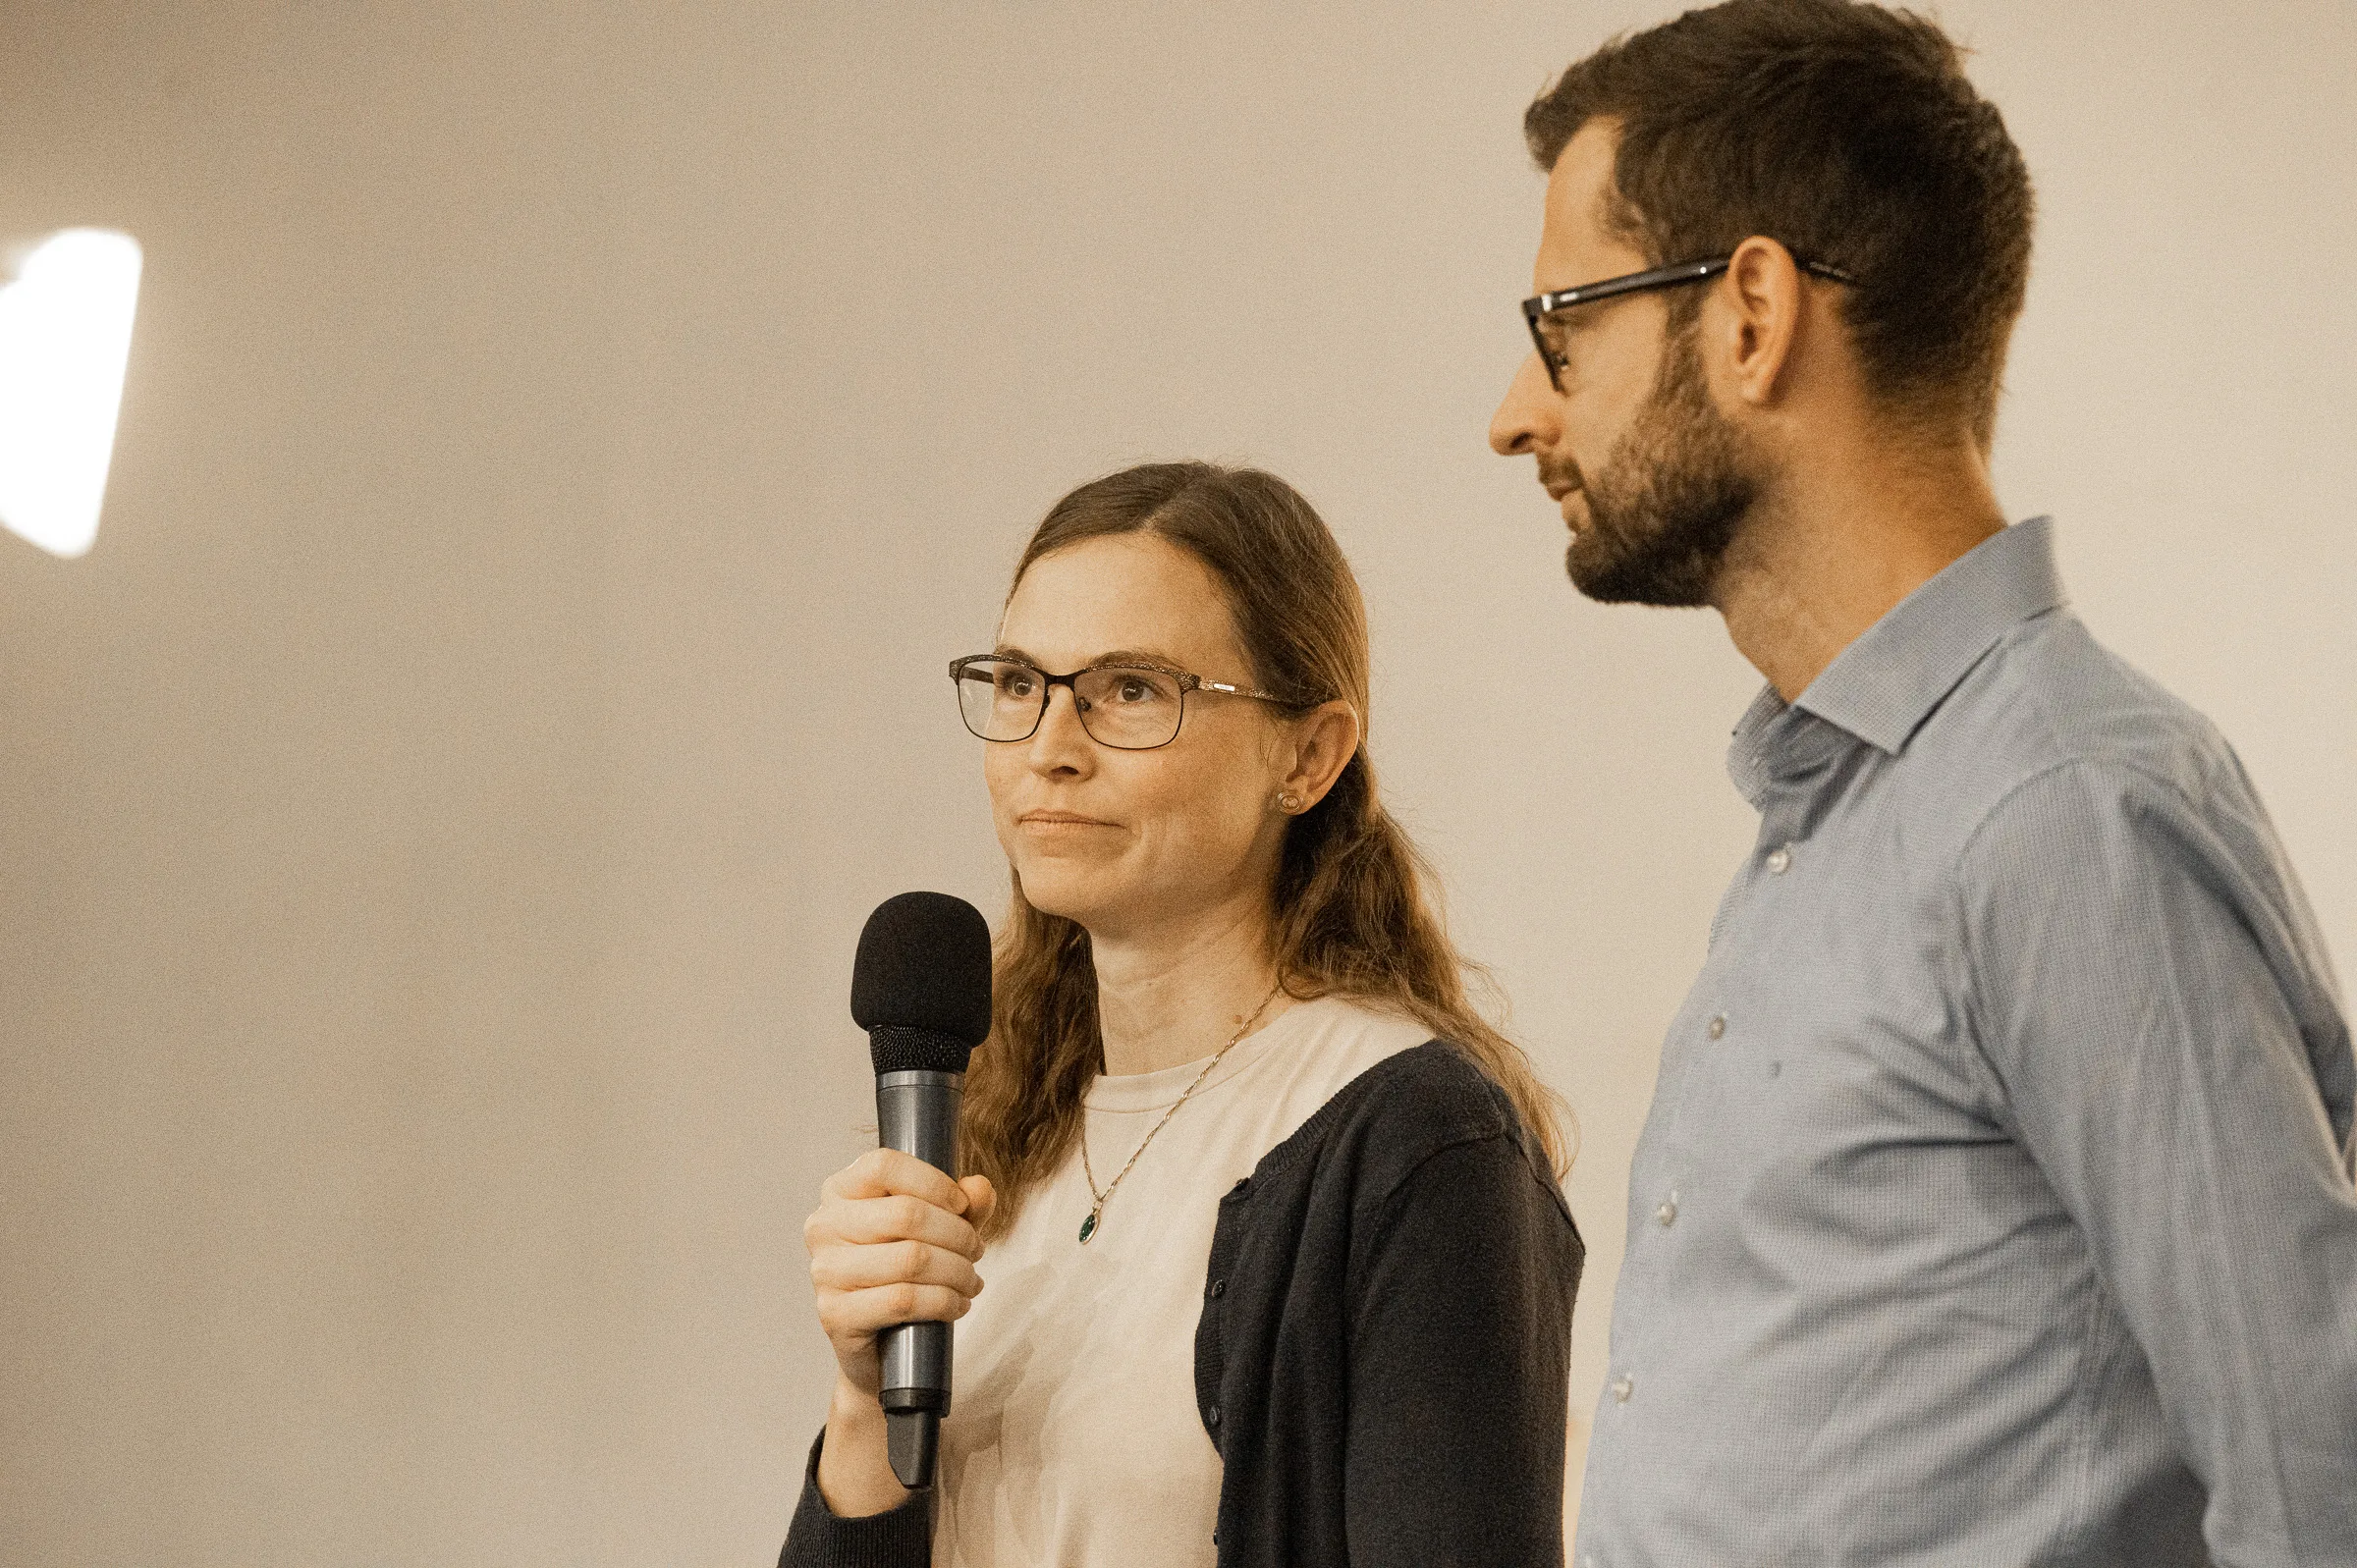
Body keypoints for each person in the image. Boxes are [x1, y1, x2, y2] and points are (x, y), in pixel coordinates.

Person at [1486, 2, 2357, 1563]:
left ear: (1751, 314)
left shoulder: (2062, 813)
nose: (1517, 413)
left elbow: (2321, 1488)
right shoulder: (1842, 816)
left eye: (1565, 326)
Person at [782, 461, 1585, 1568]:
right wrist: (864, 1400)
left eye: (1130, 691)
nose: (1050, 746)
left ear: (1308, 755)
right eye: (1019, 683)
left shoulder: (1417, 1144)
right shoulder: (1002, 1129)